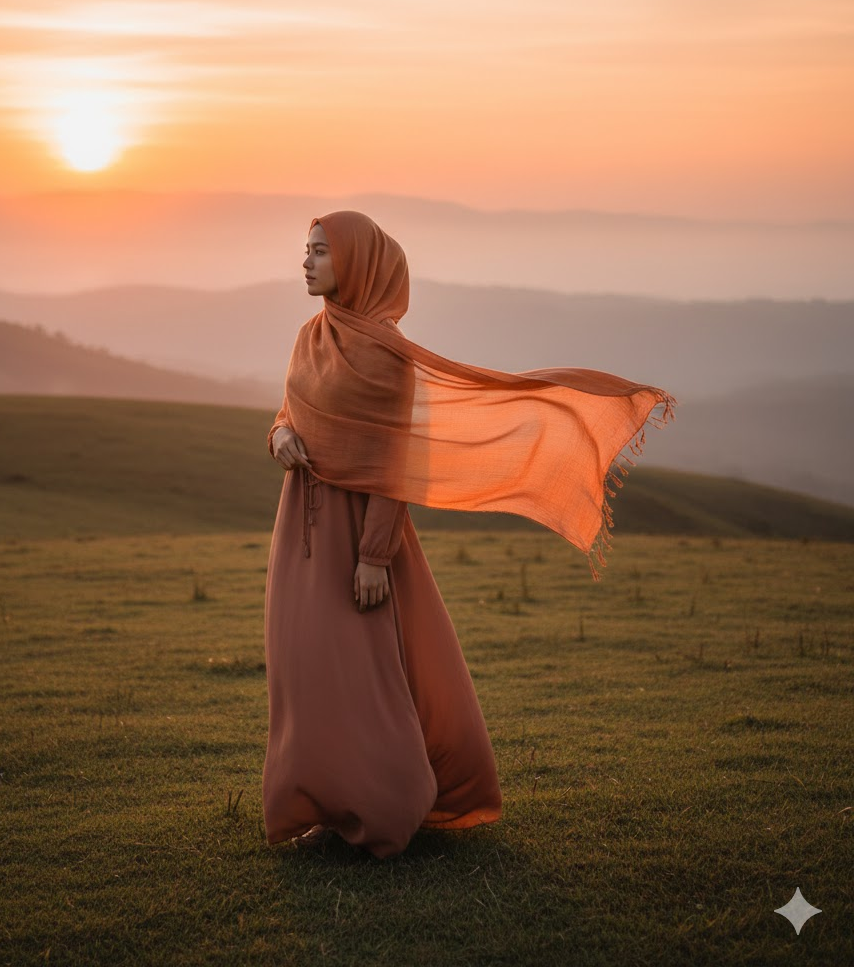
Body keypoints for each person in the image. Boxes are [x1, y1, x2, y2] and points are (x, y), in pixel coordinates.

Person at [262, 211, 674, 858]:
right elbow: (292, 409)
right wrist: (280, 435)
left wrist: (374, 557)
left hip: (360, 537)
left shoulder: (386, 357)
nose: (305, 262)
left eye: (319, 251)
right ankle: (326, 803)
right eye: (304, 250)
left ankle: (385, 806)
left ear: (358, 264)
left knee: (365, 675)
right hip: (300, 529)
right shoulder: (309, 336)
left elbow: (396, 462)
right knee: (307, 671)